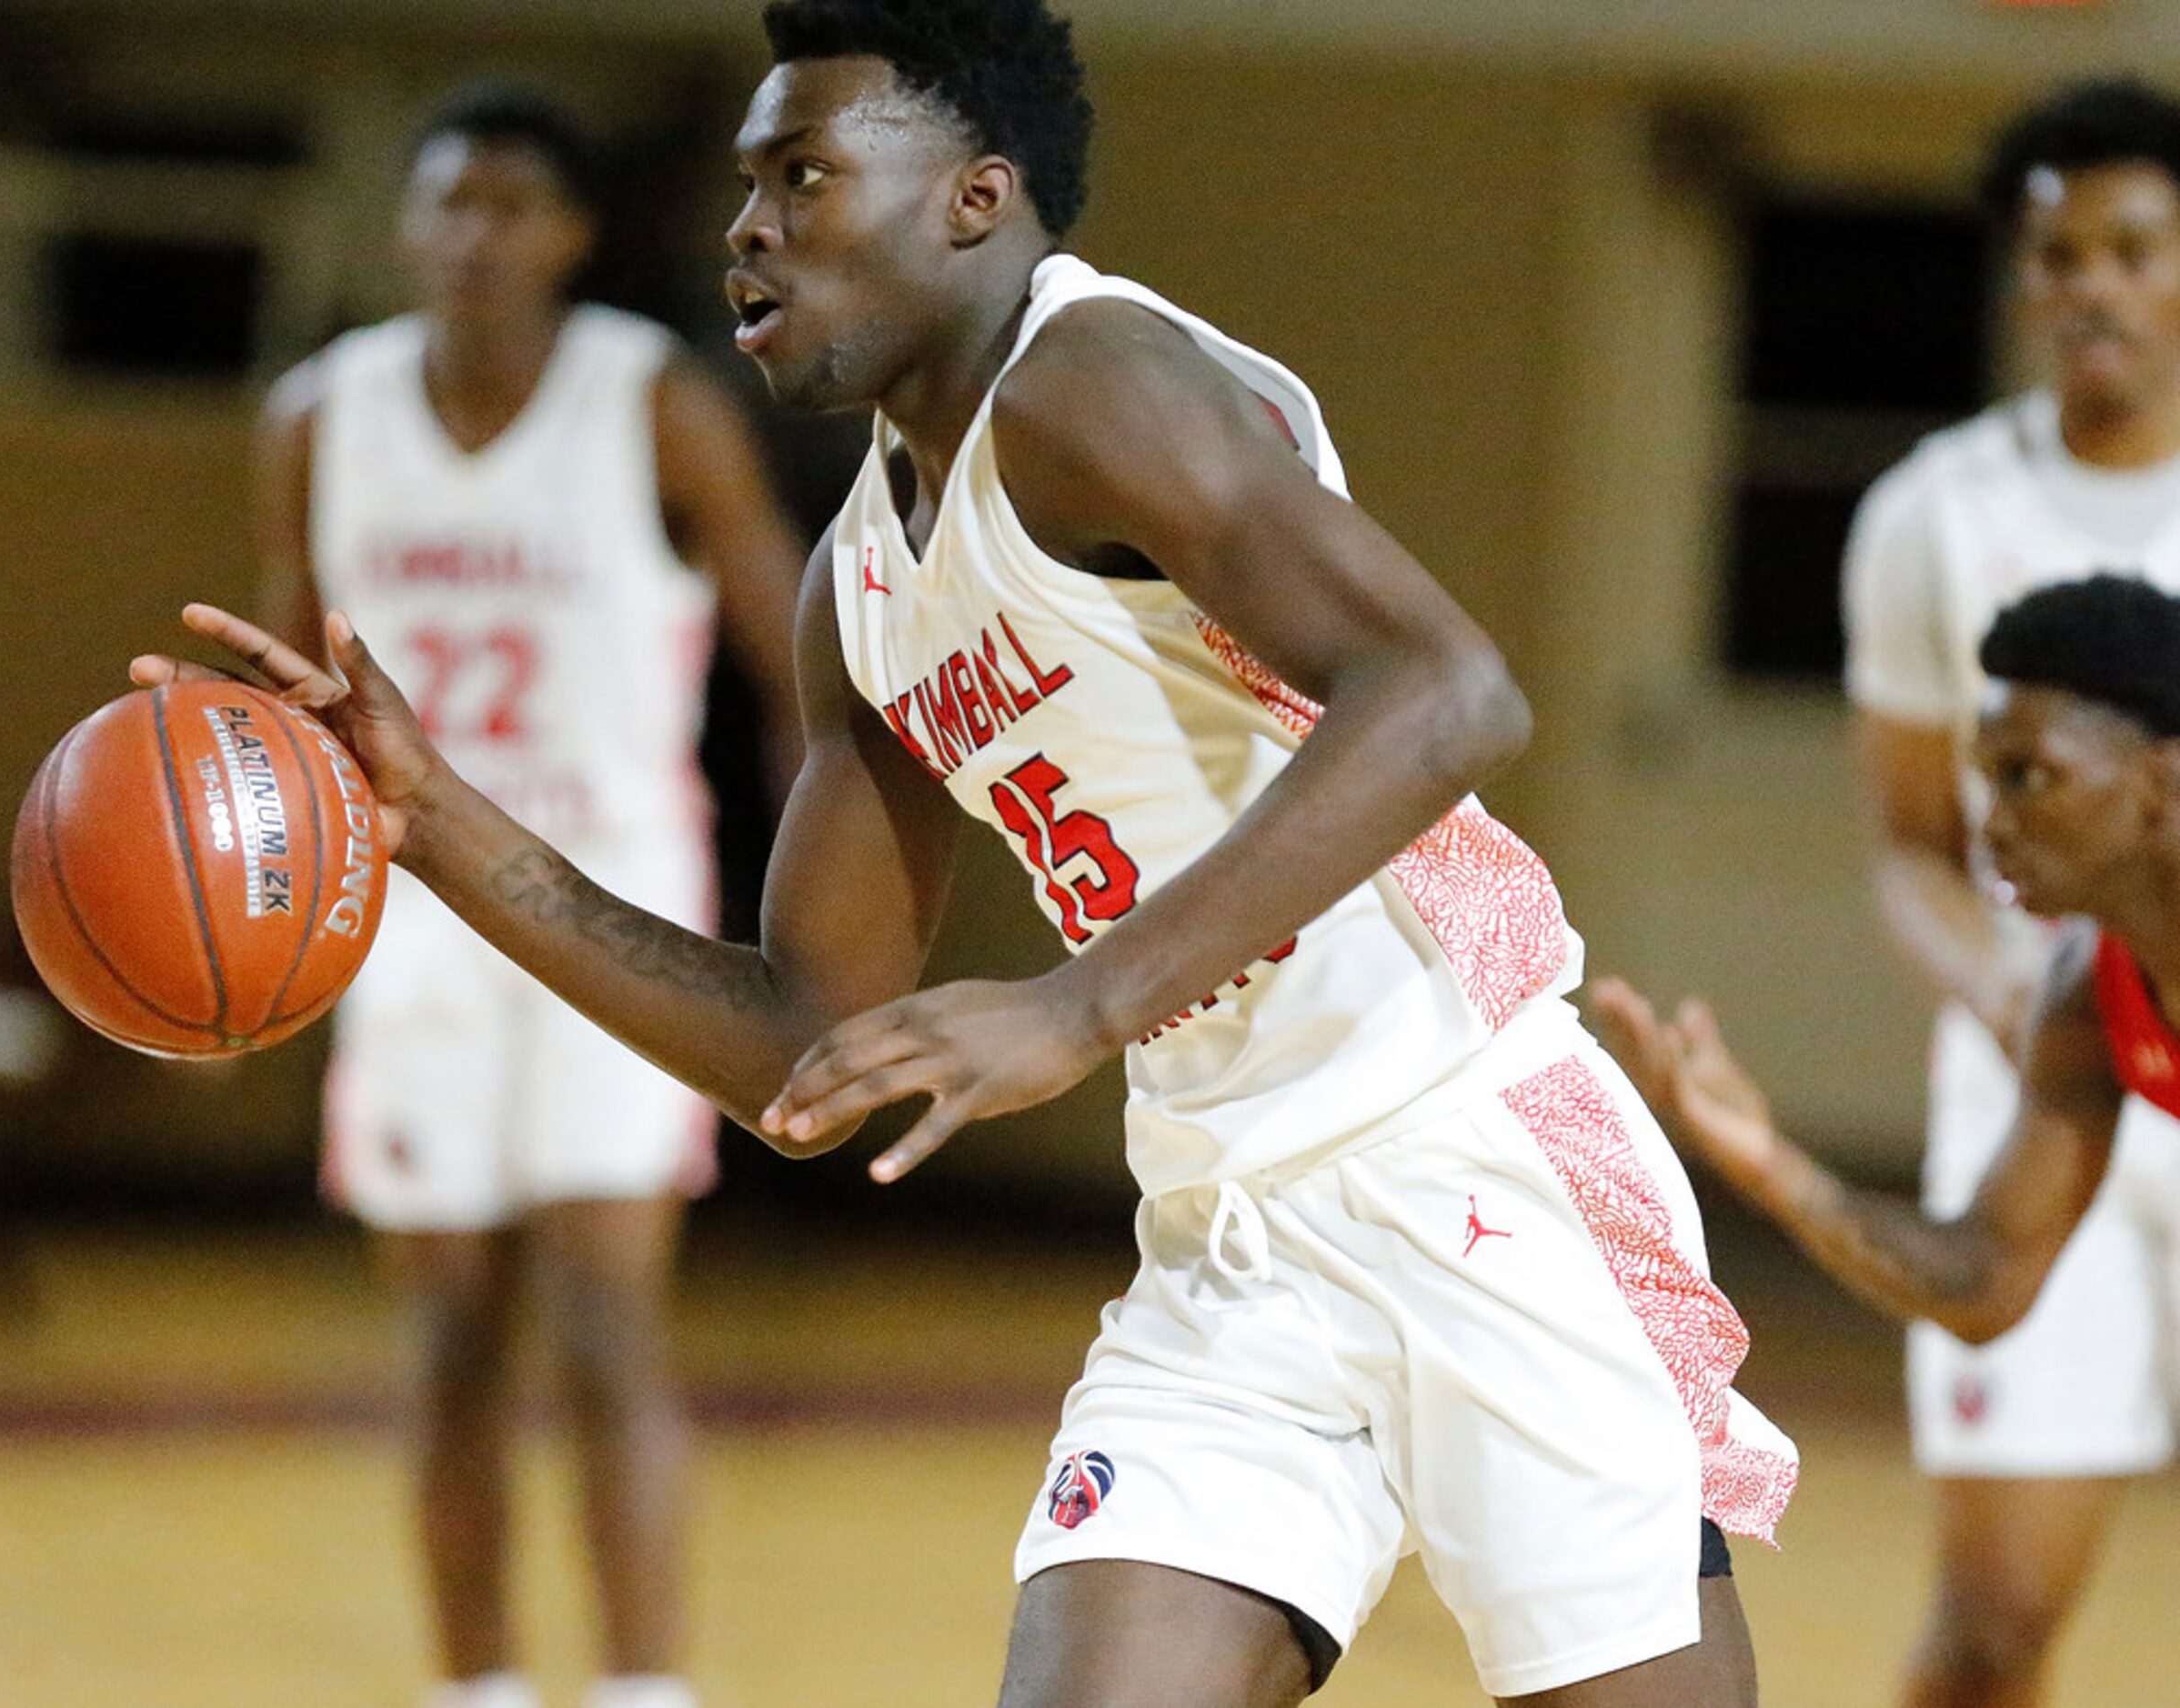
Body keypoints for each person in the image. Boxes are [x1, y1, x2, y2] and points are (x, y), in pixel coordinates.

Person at [151, 5, 1794, 1703]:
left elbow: (1451, 692)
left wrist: (1082, 1007)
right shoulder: (861, 583)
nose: (749, 226)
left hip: (1469, 1156)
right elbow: (808, 1041)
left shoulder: (1095, 381)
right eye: (743, 183)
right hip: (1233, 1224)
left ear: (975, 200)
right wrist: (438, 827)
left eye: (805, 173)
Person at [253, 84, 807, 1708]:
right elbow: (284, 683)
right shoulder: (320, 410)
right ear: (408, 230)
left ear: (569, 236)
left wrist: (809, 913)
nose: (474, 235)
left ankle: (645, 1686)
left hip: (605, 897)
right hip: (407, 910)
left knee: (605, 1314)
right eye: (448, 204)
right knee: (447, 1338)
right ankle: (477, 1683)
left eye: (510, 205)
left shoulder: (650, 399)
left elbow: (797, 659)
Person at [1599, 574, 2180, 1696]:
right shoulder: (2084, 985)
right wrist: (1770, 1163)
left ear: (2160, 781)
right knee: (1987, 1632)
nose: (1988, 823)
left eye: (2030, 778)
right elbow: (1985, 1282)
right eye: (1980, 779)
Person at [1833, 77, 2180, 1708]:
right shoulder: (1934, 514)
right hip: (2053, 1076)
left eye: (2131, 246)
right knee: (1993, 1626)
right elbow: (1911, 840)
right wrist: (2018, 1001)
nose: (2092, 285)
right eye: (2056, 256)